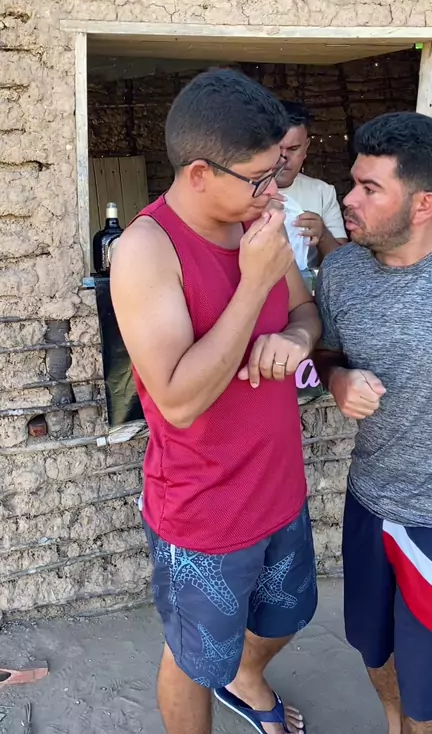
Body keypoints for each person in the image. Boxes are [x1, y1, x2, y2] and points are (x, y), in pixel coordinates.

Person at [111, 69, 321, 734]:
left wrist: (294, 337)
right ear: (201, 173)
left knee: (288, 616)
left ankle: (247, 679)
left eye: (277, 171)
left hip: (279, 486)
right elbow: (178, 402)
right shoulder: (148, 250)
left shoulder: (258, 222)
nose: (274, 191)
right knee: (194, 662)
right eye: (260, 177)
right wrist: (253, 285)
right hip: (204, 510)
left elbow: (306, 313)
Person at [313, 111, 432, 734]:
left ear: (423, 204)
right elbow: (325, 353)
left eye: (369, 188)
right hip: (369, 501)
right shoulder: (342, 273)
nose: (347, 199)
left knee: (430, 698)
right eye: (352, 182)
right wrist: (337, 379)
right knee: (372, 646)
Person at [277, 101, 348, 260]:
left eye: (293, 149)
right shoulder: (242, 190)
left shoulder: (322, 193)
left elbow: (342, 262)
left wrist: (323, 235)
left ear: (306, 147)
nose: (283, 158)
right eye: (277, 148)